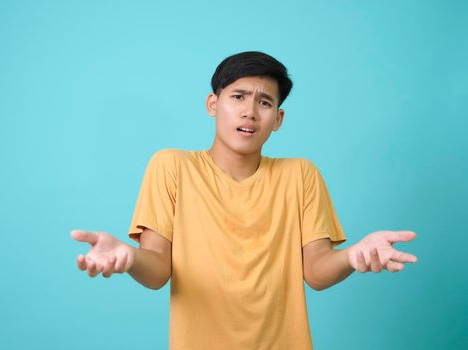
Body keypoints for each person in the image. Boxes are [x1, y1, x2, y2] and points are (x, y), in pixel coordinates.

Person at [71, 51, 418, 349]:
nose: (250, 111)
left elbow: (315, 272)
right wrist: (129, 257)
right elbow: (158, 270)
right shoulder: (171, 166)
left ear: (278, 119)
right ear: (213, 104)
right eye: (238, 96)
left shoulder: (300, 175)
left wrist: (352, 257)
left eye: (264, 102)